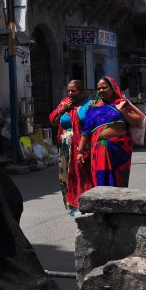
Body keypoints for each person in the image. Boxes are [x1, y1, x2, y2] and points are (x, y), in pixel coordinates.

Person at [78, 77, 145, 188]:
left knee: (117, 184)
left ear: (113, 88)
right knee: (100, 183)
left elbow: (138, 122)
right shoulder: (94, 108)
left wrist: (122, 111)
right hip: (98, 150)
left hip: (118, 149)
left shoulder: (121, 103)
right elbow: (85, 132)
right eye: (98, 88)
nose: (101, 90)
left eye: (104, 87)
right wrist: (80, 152)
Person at [49, 80, 93, 216]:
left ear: (82, 91)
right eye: (68, 91)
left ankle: (87, 203)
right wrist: (63, 110)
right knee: (68, 175)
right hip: (65, 147)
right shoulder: (64, 104)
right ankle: (73, 205)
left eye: (74, 91)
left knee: (83, 174)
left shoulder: (89, 105)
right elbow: (54, 122)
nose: (70, 93)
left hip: (82, 145)